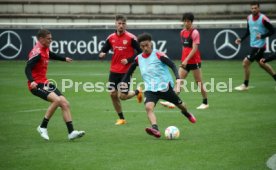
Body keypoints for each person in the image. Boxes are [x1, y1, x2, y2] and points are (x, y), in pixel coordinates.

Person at [122, 33, 196, 138]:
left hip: (165, 87)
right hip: (150, 89)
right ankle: (155, 129)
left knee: (182, 105)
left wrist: (178, 79)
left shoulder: (158, 54)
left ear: (151, 43)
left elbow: (172, 65)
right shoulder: (138, 58)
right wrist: (124, 82)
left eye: (147, 45)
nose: (145, 48)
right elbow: (129, 72)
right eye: (142, 46)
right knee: (148, 107)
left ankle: (186, 113)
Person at [25, 29, 85, 141]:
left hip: (45, 82)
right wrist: (32, 81)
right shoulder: (37, 52)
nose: (51, 40)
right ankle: (42, 126)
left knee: (65, 104)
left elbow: (50, 55)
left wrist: (64, 59)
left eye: (51, 38)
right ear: (41, 39)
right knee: (57, 100)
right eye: (48, 39)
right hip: (36, 84)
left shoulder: (45, 49)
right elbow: (27, 68)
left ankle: (71, 132)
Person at [99, 15, 143, 125]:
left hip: (126, 70)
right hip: (114, 70)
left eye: (123, 24)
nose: (121, 25)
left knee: (122, 96)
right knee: (113, 94)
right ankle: (121, 118)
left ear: (126, 25)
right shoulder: (111, 38)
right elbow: (104, 49)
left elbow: (141, 53)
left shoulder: (131, 38)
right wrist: (102, 53)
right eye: (119, 23)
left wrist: (128, 60)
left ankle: (137, 91)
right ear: (115, 24)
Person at [160, 12, 208, 110]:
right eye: (185, 21)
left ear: (191, 22)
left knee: (199, 82)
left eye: (188, 21)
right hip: (185, 62)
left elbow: (194, 49)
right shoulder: (182, 32)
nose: (186, 23)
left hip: (194, 62)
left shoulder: (195, 33)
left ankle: (205, 102)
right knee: (179, 81)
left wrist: (186, 59)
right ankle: (172, 101)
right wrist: (183, 59)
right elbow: (184, 47)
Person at [234, 1, 276, 91]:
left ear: (259, 8)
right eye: (252, 8)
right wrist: (241, 39)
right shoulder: (249, 18)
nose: (253, 10)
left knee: (245, 63)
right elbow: (248, 31)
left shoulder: (263, 19)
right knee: (262, 63)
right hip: (253, 45)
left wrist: (262, 36)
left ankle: (245, 85)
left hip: (260, 46)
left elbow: (273, 31)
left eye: (255, 8)